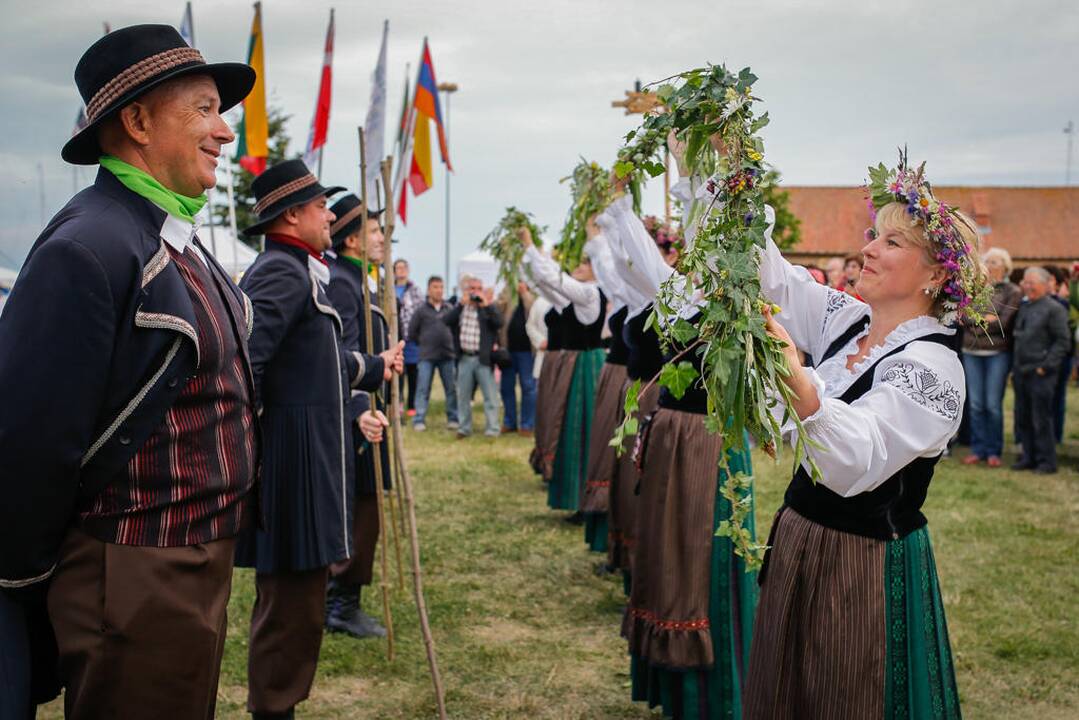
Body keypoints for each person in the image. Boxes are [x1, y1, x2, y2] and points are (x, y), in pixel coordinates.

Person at [0, 25, 258, 719]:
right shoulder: (89, 245)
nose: (224, 132)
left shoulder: (164, 236)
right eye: (203, 109)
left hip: (184, 561)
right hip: (134, 566)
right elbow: (30, 435)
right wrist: (23, 585)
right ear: (138, 121)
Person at [744, 156, 981, 719]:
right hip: (801, 535)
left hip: (863, 565)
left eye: (893, 242)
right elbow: (769, 274)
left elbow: (853, 464)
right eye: (874, 234)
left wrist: (794, 376)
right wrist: (719, 173)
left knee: (848, 692)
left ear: (936, 276)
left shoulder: (930, 367)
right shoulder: (849, 320)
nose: (868, 248)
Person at [235, 162, 401, 718]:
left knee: (302, 601)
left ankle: (279, 705)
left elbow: (316, 364)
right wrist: (262, 444)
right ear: (291, 215)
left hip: (306, 455)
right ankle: (273, 709)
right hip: (291, 462)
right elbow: (242, 369)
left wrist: (374, 368)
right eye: (318, 206)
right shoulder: (280, 272)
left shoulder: (297, 270)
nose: (329, 215)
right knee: (289, 606)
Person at [325, 192, 405, 640]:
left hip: (371, 406)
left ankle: (338, 597)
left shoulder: (362, 279)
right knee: (360, 507)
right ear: (353, 239)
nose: (381, 238)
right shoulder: (342, 282)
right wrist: (360, 410)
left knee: (364, 504)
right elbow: (344, 353)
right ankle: (341, 602)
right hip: (358, 414)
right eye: (375, 231)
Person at [520, 231, 607, 516]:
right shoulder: (580, 295)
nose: (577, 268)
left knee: (582, 428)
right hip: (576, 364)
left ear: (595, 268)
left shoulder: (591, 293)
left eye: (583, 264)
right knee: (569, 427)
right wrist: (528, 254)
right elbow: (546, 282)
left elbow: (556, 280)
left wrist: (532, 248)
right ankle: (574, 495)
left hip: (586, 367)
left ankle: (584, 498)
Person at [960, 247, 1022, 467]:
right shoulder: (973, 289)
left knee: (993, 405)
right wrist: (984, 321)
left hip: (997, 353)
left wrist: (979, 321)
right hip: (971, 351)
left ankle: (994, 451)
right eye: (988, 261)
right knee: (976, 404)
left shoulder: (1012, 291)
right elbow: (964, 316)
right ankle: (978, 449)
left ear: (1006, 267)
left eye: (996, 262)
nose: (991, 265)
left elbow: (1004, 323)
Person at [1011, 266, 1070, 474]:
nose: (1027, 287)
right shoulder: (1025, 307)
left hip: (1041, 373)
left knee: (1041, 418)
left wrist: (1046, 367)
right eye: (1025, 283)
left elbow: (1062, 342)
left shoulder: (1055, 309)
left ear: (1046, 285)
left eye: (1032, 283)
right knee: (1023, 416)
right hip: (1021, 371)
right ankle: (1028, 457)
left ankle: (1046, 461)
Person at [444, 275, 503, 438]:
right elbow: (446, 320)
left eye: (478, 288)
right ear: (466, 290)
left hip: (483, 358)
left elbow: (499, 322)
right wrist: (461, 305)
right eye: (472, 288)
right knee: (463, 396)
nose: (475, 292)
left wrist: (486, 306)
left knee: (490, 396)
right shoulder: (461, 308)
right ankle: (464, 428)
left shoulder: (486, 308)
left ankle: (492, 429)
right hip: (464, 358)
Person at [408, 275, 459, 431]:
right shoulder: (421, 311)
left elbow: (457, 329)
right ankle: (419, 420)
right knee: (423, 388)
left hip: (447, 356)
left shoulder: (449, 308)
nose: (439, 290)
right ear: (429, 289)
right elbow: (412, 332)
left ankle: (453, 418)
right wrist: (424, 342)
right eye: (435, 287)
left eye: (441, 287)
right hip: (427, 356)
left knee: (451, 389)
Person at [498, 281, 538, 436]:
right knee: (506, 387)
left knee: (528, 388)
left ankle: (527, 424)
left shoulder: (535, 291)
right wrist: (508, 293)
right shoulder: (508, 289)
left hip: (527, 351)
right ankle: (509, 422)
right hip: (508, 350)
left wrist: (524, 293)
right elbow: (498, 307)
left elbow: (534, 308)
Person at [1045, 265, 1076, 443]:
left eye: (1049, 279)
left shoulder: (1063, 304)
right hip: (1042, 357)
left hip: (1061, 358)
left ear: (1056, 284)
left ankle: (1056, 435)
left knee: (1057, 397)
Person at [394, 258, 424, 416]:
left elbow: (420, 312)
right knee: (398, 374)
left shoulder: (415, 290)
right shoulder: (389, 288)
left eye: (404, 267)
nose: (401, 270)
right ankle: (398, 403)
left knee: (413, 372)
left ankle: (412, 405)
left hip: (411, 339)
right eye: (398, 268)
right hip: (395, 339)